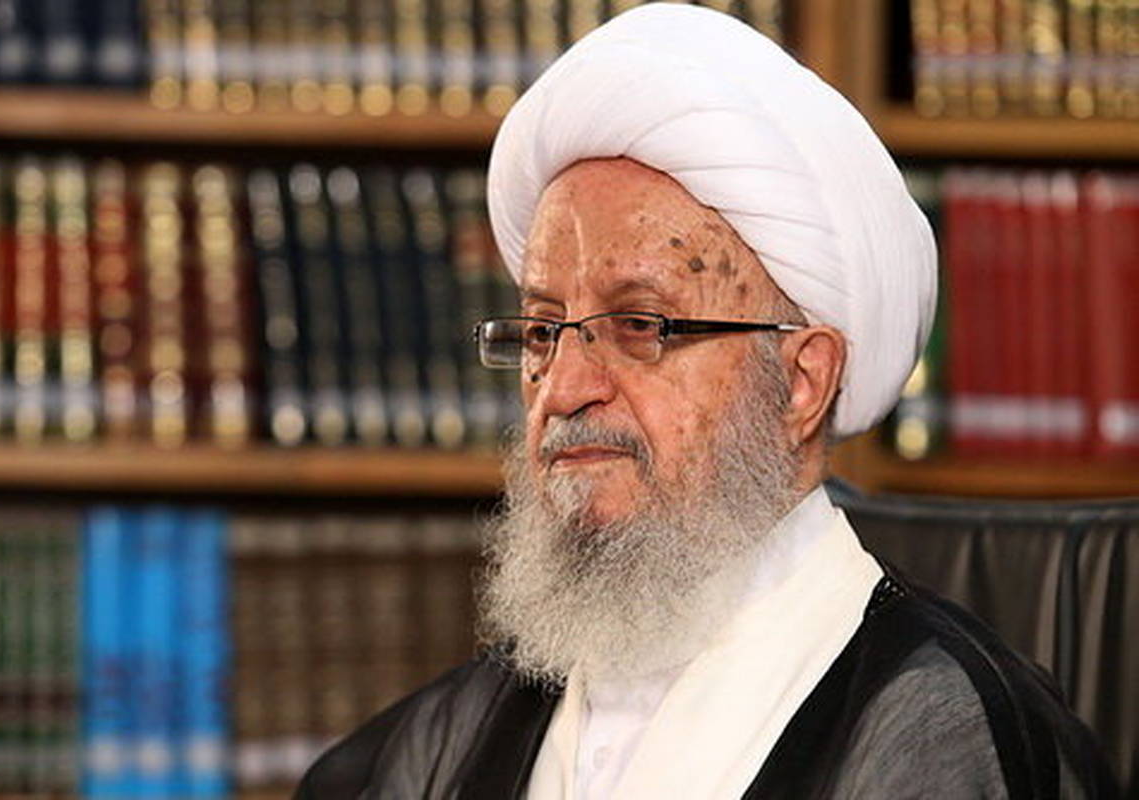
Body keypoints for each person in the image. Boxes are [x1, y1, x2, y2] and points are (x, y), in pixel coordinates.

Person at [295, 4, 1116, 798]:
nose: (565, 389)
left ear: (801, 382)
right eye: (543, 330)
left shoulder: (940, 740)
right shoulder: (432, 744)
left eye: (640, 325)